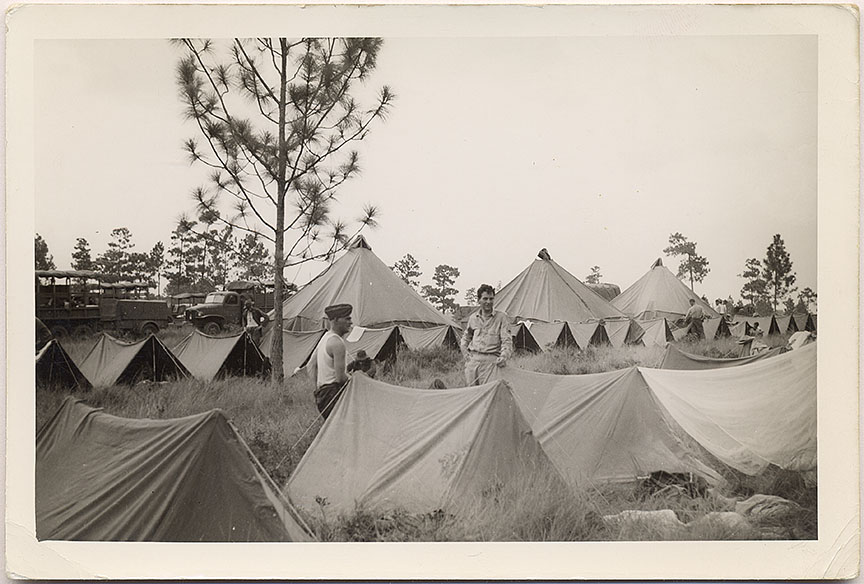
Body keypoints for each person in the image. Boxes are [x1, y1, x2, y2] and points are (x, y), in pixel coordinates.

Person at [460, 284, 513, 385]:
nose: (488, 302)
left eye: (491, 299)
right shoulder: (473, 318)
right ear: (479, 300)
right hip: (473, 363)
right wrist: (465, 352)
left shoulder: (501, 317)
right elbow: (466, 337)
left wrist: (504, 356)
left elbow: (507, 341)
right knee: (472, 394)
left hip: (491, 363)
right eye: (485, 299)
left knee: (489, 395)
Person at [307, 303, 353, 419]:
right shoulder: (337, 343)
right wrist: (354, 378)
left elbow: (310, 365)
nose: (351, 322)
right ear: (336, 320)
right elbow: (340, 378)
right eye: (347, 319)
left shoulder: (325, 338)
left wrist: (318, 389)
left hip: (323, 395)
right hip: (334, 393)